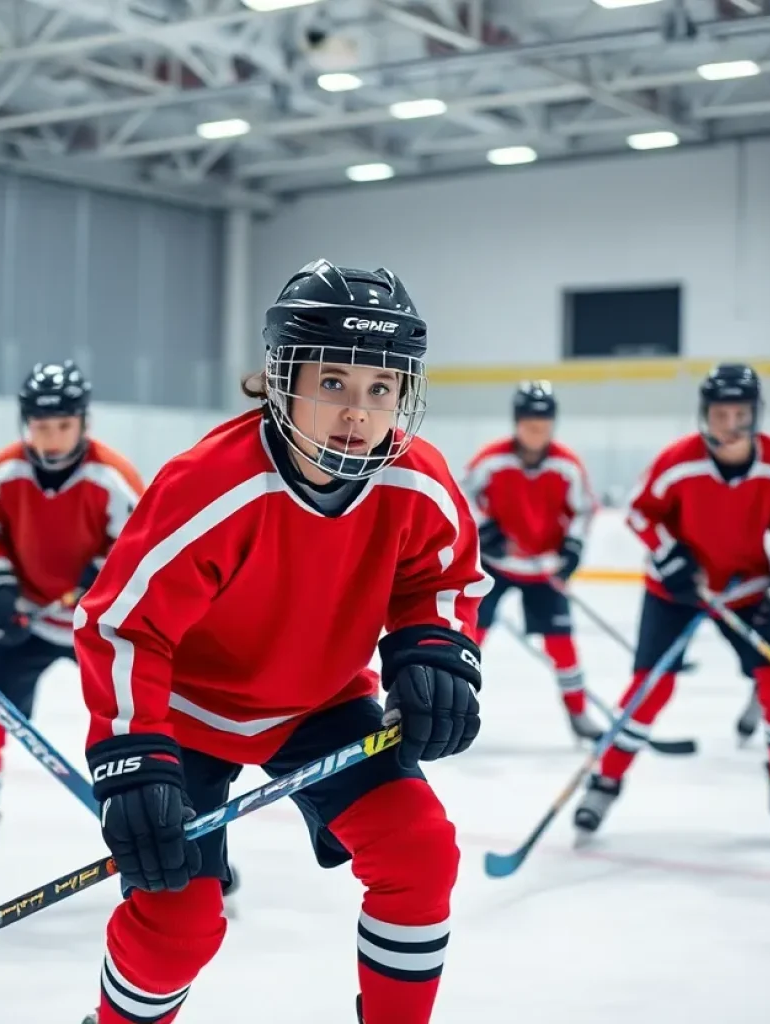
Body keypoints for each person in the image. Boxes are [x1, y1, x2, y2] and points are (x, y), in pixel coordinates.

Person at [74, 259, 490, 1024]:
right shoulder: (211, 483)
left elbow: (443, 578)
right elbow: (122, 624)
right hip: (187, 719)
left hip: (318, 706)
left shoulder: (417, 480)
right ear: (281, 379)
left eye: (380, 388)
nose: (357, 413)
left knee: (421, 854)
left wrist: (434, 648)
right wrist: (132, 758)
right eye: (332, 382)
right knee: (177, 930)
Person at [0, 361, 146, 923]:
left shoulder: (112, 477)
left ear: (82, 423)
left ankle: (191, 846)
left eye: (62, 425)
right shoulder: (1, 473)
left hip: (100, 627)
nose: (50, 437)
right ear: (25, 423)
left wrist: (103, 570)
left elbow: (140, 542)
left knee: (145, 732)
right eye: (40, 426)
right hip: (28, 625)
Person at [574, 363, 770, 840]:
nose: (729, 424)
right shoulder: (680, 459)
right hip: (675, 591)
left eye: (739, 413)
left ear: (756, 414)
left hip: (747, 590)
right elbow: (640, 513)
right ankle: (605, 781)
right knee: (648, 691)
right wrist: (670, 555)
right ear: (706, 414)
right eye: (720, 413)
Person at [460, 381, 600, 741]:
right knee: (470, 636)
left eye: (542, 425)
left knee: (562, 645)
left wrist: (572, 548)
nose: (535, 432)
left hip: (544, 568)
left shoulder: (567, 465)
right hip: (494, 564)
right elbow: (461, 496)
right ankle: (452, 702)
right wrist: (485, 529)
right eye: (528, 424)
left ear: (553, 425)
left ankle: (578, 713)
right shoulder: (491, 458)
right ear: (516, 423)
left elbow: (585, 510)